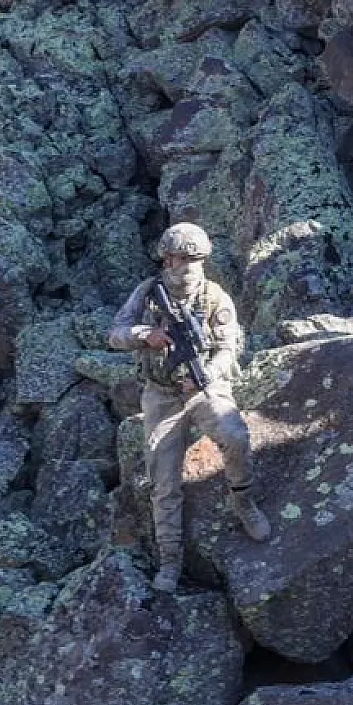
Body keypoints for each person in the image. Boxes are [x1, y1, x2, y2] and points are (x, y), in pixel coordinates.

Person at [108, 223, 271, 592]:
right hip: (161, 394)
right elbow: (115, 333)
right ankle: (171, 560)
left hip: (204, 387)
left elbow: (229, 349)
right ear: (166, 259)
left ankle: (244, 503)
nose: (184, 266)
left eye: (192, 259)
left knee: (235, 435)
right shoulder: (147, 293)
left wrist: (206, 375)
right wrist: (145, 336)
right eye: (178, 258)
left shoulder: (215, 298)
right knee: (163, 479)